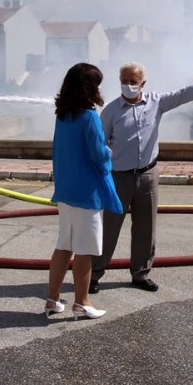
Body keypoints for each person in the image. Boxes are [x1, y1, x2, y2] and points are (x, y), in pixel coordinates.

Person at [91, 63, 193, 293]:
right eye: (124, 80)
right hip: (118, 177)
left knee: (146, 227)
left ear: (143, 83)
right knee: (109, 227)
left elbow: (185, 94)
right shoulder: (110, 111)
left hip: (148, 175)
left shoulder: (156, 102)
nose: (128, 85)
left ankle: (141, 273)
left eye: (133, 81)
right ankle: (94, 274)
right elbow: (99, 143)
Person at [45, 63, 122, 320]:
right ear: (89, 88)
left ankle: (52, 299)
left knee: (63, 246)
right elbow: (98, 155)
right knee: (84, 250)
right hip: (87, 193)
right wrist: (108, 153)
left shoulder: (62, 115)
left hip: (66, 190)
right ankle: (82, 302)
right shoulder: (89, 117)